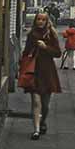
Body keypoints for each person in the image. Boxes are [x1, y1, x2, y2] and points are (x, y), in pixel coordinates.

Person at [19, 12, 62, 140]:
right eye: (38, 19)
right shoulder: (31, 35)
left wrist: (45, 47)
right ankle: (36, 130)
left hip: (47, 72)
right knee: (36, 102)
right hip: (34, 71)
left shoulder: (51, 35)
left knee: (45, 105)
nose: (40, 22)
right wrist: (21, 66)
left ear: (47, 21)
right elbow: (26, 52)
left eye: (43, 19)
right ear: (35, 21)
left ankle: (43, 122)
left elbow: (58, 53)